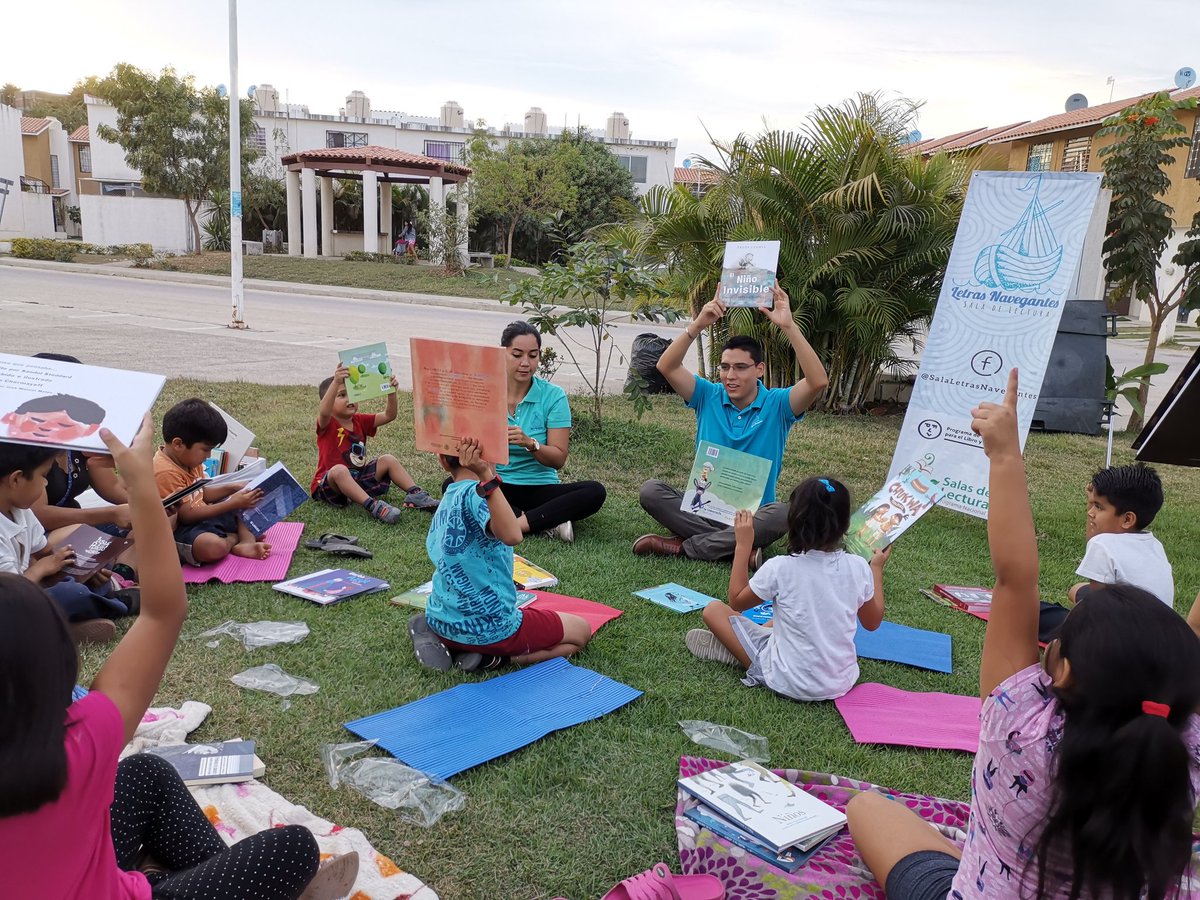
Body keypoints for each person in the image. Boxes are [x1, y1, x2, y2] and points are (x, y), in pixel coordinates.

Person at [846, 369, 1200, 899]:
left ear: (1064, 670)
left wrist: (1005, 456)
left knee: (866, 807)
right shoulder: (1184, 760)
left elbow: (1015, 579)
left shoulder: (1019, 727)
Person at [0, 416, 359, 899]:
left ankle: (173, 879)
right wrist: (142, 487)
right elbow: (162, 614)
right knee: (292, 849)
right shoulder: (81, 741)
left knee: (146, 774)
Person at [634, 285, 828, 563]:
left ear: (759, 370)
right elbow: (667, 366)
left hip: (751, 516)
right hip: (703, 507)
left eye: (740, 367)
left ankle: (685, 547)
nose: (730, 375)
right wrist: (699, 323)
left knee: (784, 512)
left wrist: (789, 327)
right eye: (725, 367)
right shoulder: (707, 395)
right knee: (651, 491)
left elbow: (818, 381)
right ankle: (738, 550)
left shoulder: (778, 404)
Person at [684, 477, 890, 701]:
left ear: (793, 521)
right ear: (846, 525)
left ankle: (744, 654)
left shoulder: (780, 567)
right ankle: (755, 639)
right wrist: (876, 569)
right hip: (840, 682)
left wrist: (743, 546)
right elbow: (872, 622)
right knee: (779, 619)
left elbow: (736, 601)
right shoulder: (859, 567)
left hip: (786, 680)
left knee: (713, 609)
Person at [408, 437, 591, 673]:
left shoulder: (449, 496)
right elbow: (513, 535)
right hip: (491, 630)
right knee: (580, 632)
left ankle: (440, 636)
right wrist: (486, 476)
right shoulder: (481, 495)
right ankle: (493, 660)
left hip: (441, 619)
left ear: (442, 460)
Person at [0, 441, 133, 645]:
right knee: (71, 593)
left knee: (87, 579)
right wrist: (41, 570)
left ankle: (62, 628)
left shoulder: (21, 511)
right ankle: (118, 603)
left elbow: (44, 552)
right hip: (9, 604)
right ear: (16, 479)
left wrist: (80, 568)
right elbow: (8, 594)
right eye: (43, 477)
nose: (45, 484)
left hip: (26, 592)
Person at [497, 321, 605, 543]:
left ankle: (516, 525)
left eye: (533, 355)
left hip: (539, 486)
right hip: (498, 483)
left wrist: (531, 444)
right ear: (502, 353)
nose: (525, 363)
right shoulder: (486, 391)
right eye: (517, 355)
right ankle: (547, 522)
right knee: (453, 484)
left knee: (594, 491)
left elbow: (558, 459)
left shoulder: (553, 396)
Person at [312, 363, 437, 522]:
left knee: (387, 459)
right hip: (331, 485)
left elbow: (389, 415)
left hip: (357, 479)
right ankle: (373, 506)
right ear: (329, 402)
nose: (349, 399)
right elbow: (323, 411)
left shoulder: (360, 420)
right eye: (342, 395)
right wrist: (336, 382)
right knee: (339, 470)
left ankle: (415, 494)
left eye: (352, 394)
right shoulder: (327, 423)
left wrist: (391, 392)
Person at [153, 398, 271, 565]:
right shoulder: (165, 471)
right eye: (206, 449)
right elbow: (186, 516)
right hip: (184, 529)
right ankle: (234, 539)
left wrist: (233, 488)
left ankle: (246, 542)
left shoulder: (188, 461)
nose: (208, 456)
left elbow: (201, 494)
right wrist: (231, 504)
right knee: (213, 547)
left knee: (246, 502)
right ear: (178, 444)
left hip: (206, 516)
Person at [1068, 463, 1174, 606]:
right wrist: (1092, 501)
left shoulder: (1101, 545)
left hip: (1123, 625)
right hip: (1162, 625)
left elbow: (1095, 608)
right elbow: (1093, 539)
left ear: (1127, 519)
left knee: (1073, 599)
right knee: (1077, 589)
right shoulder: (1155, 545)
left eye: (1098, 507)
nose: (1090, 512)